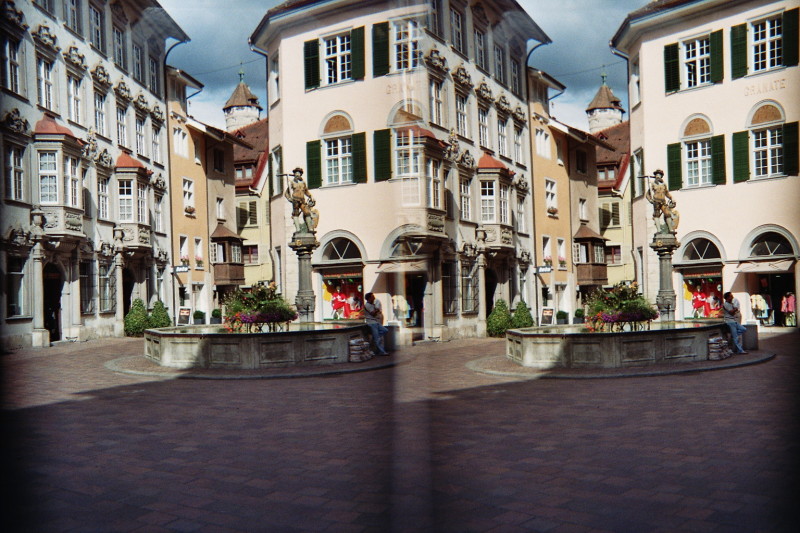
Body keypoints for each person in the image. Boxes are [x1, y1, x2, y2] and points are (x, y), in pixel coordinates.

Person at [284, 167, 317, 233]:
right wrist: (290, 199)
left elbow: (306, 191)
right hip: (295, 200)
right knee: (295, 214)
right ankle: (298, 229)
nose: (297, 174)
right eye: (296, 173)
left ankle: (310, 228)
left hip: (302, 200)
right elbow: (286, 193)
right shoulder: (292, 182)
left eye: (298, 173)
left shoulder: (303, 183)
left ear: (300, 174)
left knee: (307, 213)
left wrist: (310, 196)